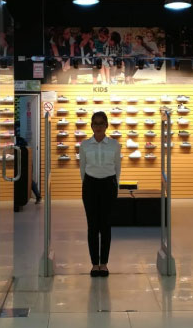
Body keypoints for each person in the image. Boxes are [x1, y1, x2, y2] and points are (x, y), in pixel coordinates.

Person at [79, 111, 121, 277]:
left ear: (106, 125)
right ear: (91, 126)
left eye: (101, 123)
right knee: (92, 226)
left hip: (108, 185)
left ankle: (104, 264)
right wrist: (88, 184)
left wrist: (114, 185)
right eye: (95, 123)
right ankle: (94, 264)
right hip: (90, 185)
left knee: (105, 225)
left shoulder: (114, 145)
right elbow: (82, 168)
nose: (98, 126)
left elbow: (117, 167)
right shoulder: (84, 145)